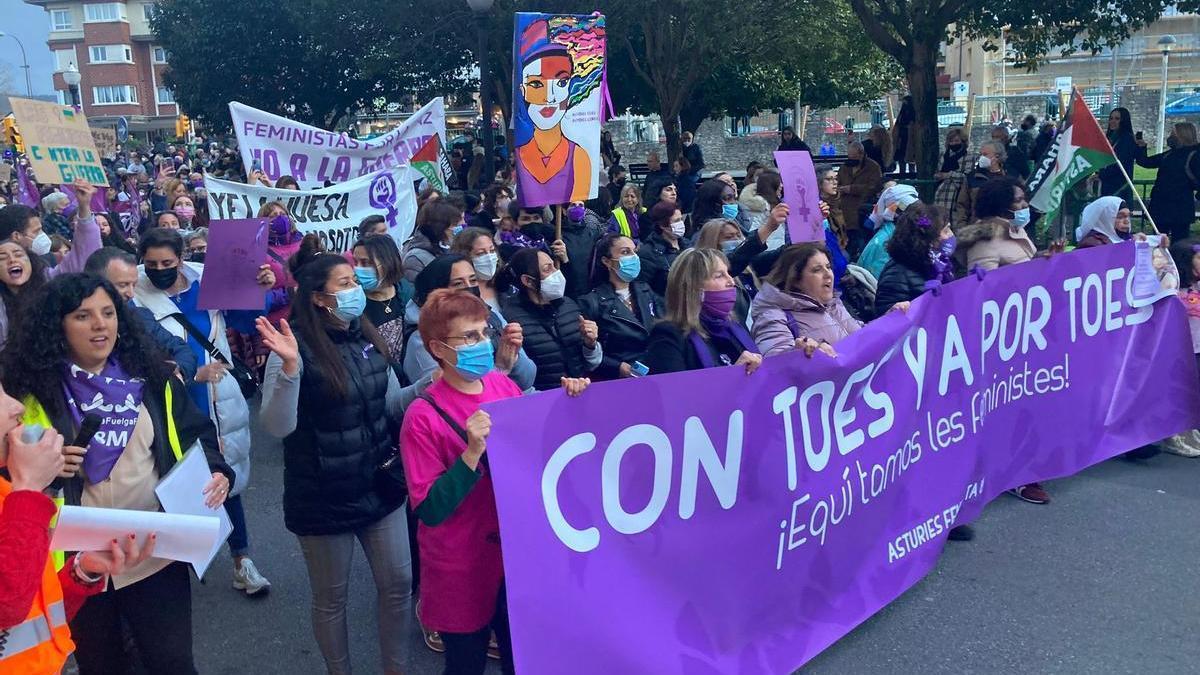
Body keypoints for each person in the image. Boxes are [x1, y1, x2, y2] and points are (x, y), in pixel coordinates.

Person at [1, 273, 233, 674]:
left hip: (154, 551)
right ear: (57, 326)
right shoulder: (28, 393)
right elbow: (12, 477)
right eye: (83, 316)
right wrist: (51, 475)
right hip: (78, 563)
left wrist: (217, 471)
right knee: (102, 664)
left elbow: (196, 434)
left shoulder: (153, 379)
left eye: (108, 313)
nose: (100, 325)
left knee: (172, 662)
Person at [399, 289, 589, 675]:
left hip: (516, 555)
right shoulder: (422, 416)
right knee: (466, 663)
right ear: (438, 348)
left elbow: (537, 449)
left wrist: (571, 402)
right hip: (462, 564)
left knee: (522, 657)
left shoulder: (502, 386)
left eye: (483, 332)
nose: (481, 343)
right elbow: (430, 509)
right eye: (468, 337)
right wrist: (469, 455)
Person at [257, 247, 426, 675]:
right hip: (322, 493)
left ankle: (396, 669)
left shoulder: (365, 337)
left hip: (379, 484)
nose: (357, 289)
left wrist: (429, 382)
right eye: (346, 284)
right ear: (318, 297)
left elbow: (390, 406)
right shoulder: (290, 347)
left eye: (356, 281)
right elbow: (277, 426)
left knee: (398, 585)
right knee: (332, 599)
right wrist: (291, 370)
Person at [133, 228, 273, 596]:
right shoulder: (135, 295)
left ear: (180, 259)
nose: (159, 269)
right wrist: (189, 373)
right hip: (171, 399)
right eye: (151, 264)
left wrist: (257, 288)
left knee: (225, 476)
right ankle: (179, 562)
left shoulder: (206, 280)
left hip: (216, 396)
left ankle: (242, 559)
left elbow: (245, 324)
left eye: (167, 263)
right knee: (171, 481)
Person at [0, 377, 155, 674]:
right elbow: (7, 605)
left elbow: (33, 617)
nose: (17, 406)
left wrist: (82, 572)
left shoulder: (8, 494)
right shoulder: (20, 495)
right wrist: (30, 487)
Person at [0, 181, 102, 351]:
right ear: (16, 236)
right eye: (36, 232)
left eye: (18, 255)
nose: (12, 261)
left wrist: (84, 208)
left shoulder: (46, 280)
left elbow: (84, 258)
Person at [83, 247, 198, 382]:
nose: (131, 294)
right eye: (123, 285)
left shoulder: (139, 317)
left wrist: (179, 371)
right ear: (94, 282)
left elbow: (181, 349)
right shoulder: (72, 326)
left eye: (134, 285)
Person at [644, 247, 763, 375]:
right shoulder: (667, 335)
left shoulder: (733, 325)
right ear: (693, 287)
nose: (731, 281)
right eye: (719, 276)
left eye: (728, 273)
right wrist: (733, 376)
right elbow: (673, 392)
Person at [499, 247, 601, 390]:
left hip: (582, 390)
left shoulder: (568, 305)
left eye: (554, 266)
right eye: (548, 269)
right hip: (544, 399)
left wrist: (590, 344)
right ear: (528, 280)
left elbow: (592, 363)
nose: (556, 273)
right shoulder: (512, 320)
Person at [513, 18, 593, 202]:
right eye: (536, 83)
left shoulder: (579, 157)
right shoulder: (518, 155)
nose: (549, 97)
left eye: (561, 82)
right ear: (522, 91)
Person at [750, 243, 863, 357]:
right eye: (817, 270)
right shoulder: (772, 315)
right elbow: (776, 363)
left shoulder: (834, 303)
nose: (828, 274)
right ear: (795, 279)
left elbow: (861, 335)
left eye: (828, 267)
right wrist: (800, 353)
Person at [578, 233, 663, 379]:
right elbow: (587, 352)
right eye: (625, 252)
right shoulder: (591, 302)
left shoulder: (645, 290)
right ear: (607, 261)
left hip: (655, 372)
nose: (633, 257)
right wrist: (617, 366)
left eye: (634, 251)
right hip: (619, 379)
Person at [874, 202, 957, 315]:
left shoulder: (942, 265)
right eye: (946, 231)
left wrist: (975, 285)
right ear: (928, 237)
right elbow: (883, 320)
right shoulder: (897, 273)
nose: (950, 236)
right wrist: (894, 310)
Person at [352, 234, 414, 372]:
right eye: (355, 262)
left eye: (366, 263)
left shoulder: (409, 295)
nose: (358, 269)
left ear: (387, 263)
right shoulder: (353, 304)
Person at [1136, 122, 1200, 242]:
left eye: (1173, 133)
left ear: (1182, 135)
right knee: (1158, 242)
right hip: (1162, 206)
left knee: (1180, 242)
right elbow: (1146, 162)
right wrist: (1141, 147)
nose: (1170, 137)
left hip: (1180, 208)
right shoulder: (1170, 154)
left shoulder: (1195, 155)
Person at [957, 177, 1036, 272]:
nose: (1025, 204)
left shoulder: (1015, 230)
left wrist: (1044, 258)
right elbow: (984, 285)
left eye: (1024, 199)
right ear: (1001, 205)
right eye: (1018, 200)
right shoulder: (984, 243)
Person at [857, 184, 920, 280]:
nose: (917, 218)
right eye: (911, 212)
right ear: (895, 214)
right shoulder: (886, 243)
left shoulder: (904, 235)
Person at [837, 141, 884, 257]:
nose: (851, 159)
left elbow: (875, 187)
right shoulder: (844, 167)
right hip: (845, 213)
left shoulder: (873, 167)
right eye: (849, 156)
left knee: (862, 245)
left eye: (854, 157)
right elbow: (837, 182)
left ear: (861, 154)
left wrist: (852, 189)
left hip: (861, 212)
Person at [638, 201, 692, 296]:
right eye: (676, 221)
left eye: (681, 219)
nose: (681, 224)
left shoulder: (688, 244)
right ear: (662, 225)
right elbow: (643, 289)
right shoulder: (648, 253)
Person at [404, 200, 463, 284]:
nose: (458, 228)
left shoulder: (451, 246)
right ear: (440, 226)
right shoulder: (415, 258)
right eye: (454, 225)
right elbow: (416, 291)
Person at [953, 141, 1007, 229]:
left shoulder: (1008, 177)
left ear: (997, 157)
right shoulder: (972, 177)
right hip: (977, 228)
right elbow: (962, 205)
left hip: (1002, 228)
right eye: (981, 154)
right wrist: (962, 228)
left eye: (985, 154)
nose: (981, 157)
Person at [933, 127, 971, 218]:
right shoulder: (943, 155)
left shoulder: (969, 157)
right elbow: (938, 170)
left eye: (956, 141)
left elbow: (967, 176)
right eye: (951, 141)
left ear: (963, 141)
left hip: (956, 193)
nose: (953, 143)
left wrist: (949, 175)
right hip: (940, 190)